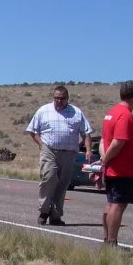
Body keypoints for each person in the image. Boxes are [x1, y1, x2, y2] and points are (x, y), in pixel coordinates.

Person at [25, 85, 94, 225]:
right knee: (49, 178)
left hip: (69, 153)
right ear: (53, 98)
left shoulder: (76, 112)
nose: (59, 101)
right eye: (56, 98)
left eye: (62, 98)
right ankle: (44, 211)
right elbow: (32, 131)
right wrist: (41, 145)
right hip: (49, 150)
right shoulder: (43, 111)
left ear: (67, 98)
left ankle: (56, 216)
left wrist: (87, 150)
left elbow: (86, 133)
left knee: (63, 184)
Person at [99, 81, 133, 245]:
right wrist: (106, 159)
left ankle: (107, 239)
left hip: (114, 168)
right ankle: (111, 241)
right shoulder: (125, 115)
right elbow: (118, 142)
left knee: (111, 203)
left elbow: (104, 140)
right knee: (117, 205)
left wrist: (105, 159)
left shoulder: (111, 113)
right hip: (122, 170)